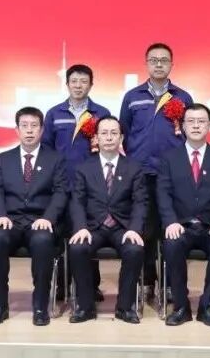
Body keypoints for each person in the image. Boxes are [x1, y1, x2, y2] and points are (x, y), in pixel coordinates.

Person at [119, 42, 193, 299]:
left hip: (173, 175)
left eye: (164, 60)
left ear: (172, 64)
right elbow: (124, 133)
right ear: (146, 63)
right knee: (145, 229)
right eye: (153, 60)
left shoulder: (183, 98)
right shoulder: (132, 97)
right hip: (141, 174)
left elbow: (190, 133)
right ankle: (147, 280)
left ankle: (172, 284)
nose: (159, 64)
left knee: (172, 229)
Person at [0, 107, 67, 326]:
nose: (29, 131)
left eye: (34, 126)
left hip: (39, 220)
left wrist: (48, 218)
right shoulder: (3, 159)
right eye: (24, 126)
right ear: (17, 130)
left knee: (43, 241)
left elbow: (61, 192)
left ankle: (40, 306)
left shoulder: (55, 159)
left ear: (42, 130)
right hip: (10, 221)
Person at [156, 103, 210, 327]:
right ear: (182, 126)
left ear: (209, 125)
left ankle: (207, 306)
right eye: (190, 121)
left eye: (201, 121)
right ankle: (181, 307)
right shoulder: (169, 158)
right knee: (172, 244)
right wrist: (170, 222)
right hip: (180, 225)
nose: (196, 125)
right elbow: (163, 193)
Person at [67, 116, 148, 324]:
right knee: (77, 248)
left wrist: (135, 229)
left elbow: (140, 202)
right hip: (92, 227)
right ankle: (85, 307)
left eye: (114, 133)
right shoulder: (84, 168)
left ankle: (125, 307)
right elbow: (77, 201)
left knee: (135, 250)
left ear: (121, 137)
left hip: (123, 227)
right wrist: (81, 227)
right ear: (96, 138)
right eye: (104, 133)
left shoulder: (134, 167)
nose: (109, 137)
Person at [41, 63, 111, 302]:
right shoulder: (54, 113)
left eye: (83, 81)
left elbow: (108, 146)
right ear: (67, 84)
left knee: (88, 234)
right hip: (62, 185)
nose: (78, 85)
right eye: (74, 81)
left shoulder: (101, 113)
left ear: (91, 85)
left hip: (92, 187)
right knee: (62, 236)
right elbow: (47, 150)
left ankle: (91, 286)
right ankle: (61, 285)